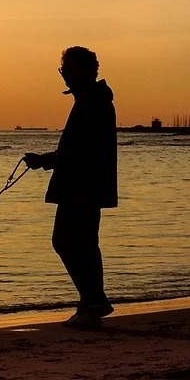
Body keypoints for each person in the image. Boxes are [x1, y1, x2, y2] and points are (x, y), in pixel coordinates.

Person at [23, 46, 118, 329]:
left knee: (72, 242)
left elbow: (85, 151)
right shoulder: (90, 99)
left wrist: (47, 161)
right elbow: (76, 149)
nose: (65, 76)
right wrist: (47, 161)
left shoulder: (93, 101)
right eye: (63, 70)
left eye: (69, 70)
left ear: (88, 70)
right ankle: (91, 301)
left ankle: (93, 302)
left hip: (82, 186)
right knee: (79, 243)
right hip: (82, 184)